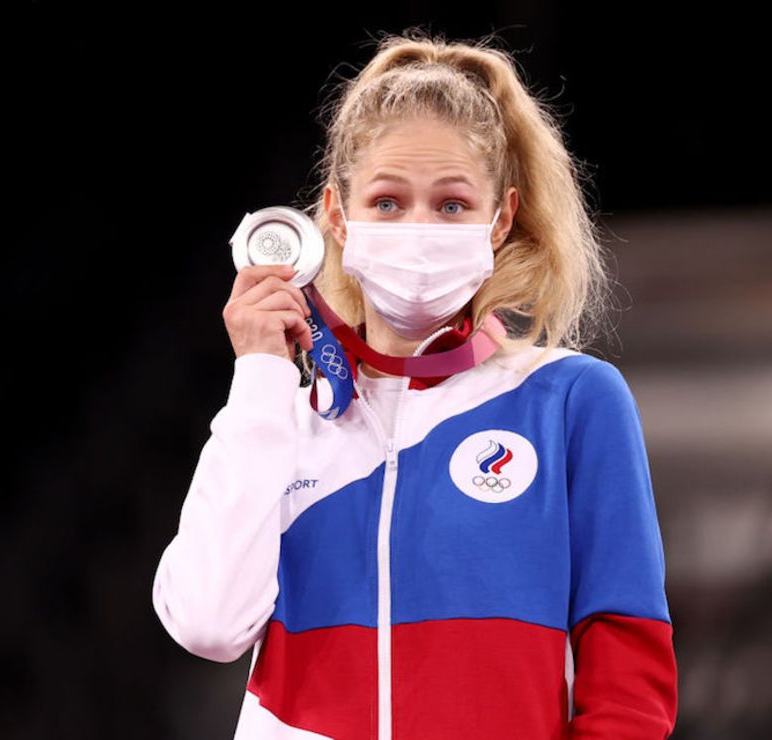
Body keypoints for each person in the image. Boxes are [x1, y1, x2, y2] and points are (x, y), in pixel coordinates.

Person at [152, 29, 678, 740]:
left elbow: (628, 679)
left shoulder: (570, 401)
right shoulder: (284, 422)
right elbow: (209, 625)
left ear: (501, 220)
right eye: (389, 202)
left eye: (453, 204)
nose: (420, 226)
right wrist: (259, 377)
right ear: (337, 217)